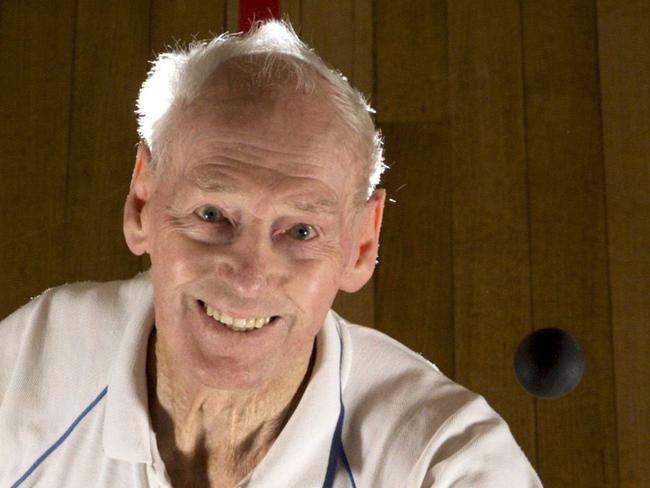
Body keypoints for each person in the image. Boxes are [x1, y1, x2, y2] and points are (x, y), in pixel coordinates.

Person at [0, 20, 542, 488]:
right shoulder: (29, 364)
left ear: (361, 245)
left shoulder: (446, 466)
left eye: (301, 231)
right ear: (142, 203)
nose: (249, 278)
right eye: (212, 216)